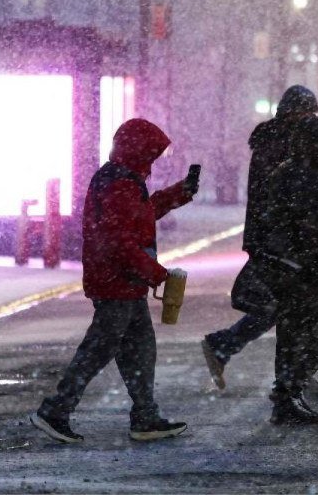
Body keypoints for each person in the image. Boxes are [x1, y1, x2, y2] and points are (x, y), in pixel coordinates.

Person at [30, 118, 197, 444]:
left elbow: (142, 216)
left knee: (139, 349)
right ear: (138, 151)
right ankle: (56, 411)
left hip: (125, 283)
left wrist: (178, 194)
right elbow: (120, 241)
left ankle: (145, 417)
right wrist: (157, 274)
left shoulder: (124, 179)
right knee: (100, 348)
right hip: (116, 282)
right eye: (150, 154)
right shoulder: (119, 183)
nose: (152, 161)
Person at [207, 115, 318, 425]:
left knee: (298, 331)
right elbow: (292, 225)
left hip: (295, 268)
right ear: (312, 147)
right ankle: (287, 394)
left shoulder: (300, 173)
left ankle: (288, 393)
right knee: (310, 330)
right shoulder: (297, 177)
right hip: (293, 270)